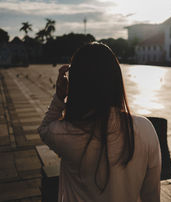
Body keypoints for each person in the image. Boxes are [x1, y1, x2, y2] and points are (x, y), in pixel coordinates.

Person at [38, 42, 161, 202]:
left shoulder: (65, 133)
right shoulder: (145, 129)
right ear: (116, 80)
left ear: (77, 85)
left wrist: (60, 97)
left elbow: (44, 129)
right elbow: (151, 196)